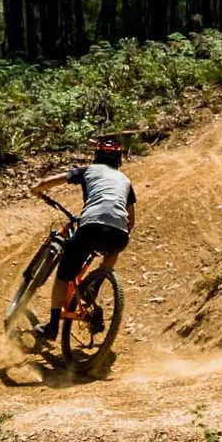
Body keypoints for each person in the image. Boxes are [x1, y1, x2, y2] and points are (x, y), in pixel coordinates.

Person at [27, 136, 135, 343]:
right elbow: (131, 220)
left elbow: (53, 180)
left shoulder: (89, 170)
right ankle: (97, 282)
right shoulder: (125, 181)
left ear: (97, 155)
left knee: (63, 275)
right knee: (113, 250)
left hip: (91, 227)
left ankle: (52, 326)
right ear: (118, 159)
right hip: (119, 234)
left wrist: (38, 188)